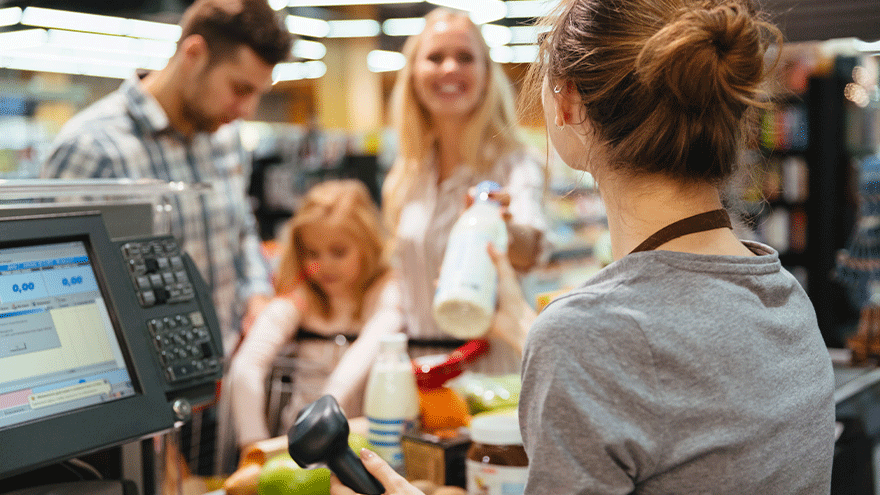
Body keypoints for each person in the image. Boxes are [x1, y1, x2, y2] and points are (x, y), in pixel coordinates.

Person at [331, 0, 835, 493]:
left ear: (568, 102)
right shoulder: (786, 298)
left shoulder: (584, 335)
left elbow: (617, 358)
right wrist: (525, 325)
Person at [40, 0, 293, 474]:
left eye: (257, 93)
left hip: (222, 387)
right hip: (139, 415)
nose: (246, 110)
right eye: (239, 88)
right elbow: (63, 299)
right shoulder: (93, 148)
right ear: (194, 53)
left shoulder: (222, 138)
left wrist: (257, 293)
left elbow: (241, 231)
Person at [383, 7, 550, 374]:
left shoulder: (515, 164)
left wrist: (502, 227)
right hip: (422, 372)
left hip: (494, 371)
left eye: (465, 57)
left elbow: (532, 248)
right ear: (412, 74)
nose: (449, 69)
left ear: (487, 75)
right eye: (435, 57)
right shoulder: (405, 176)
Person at [227, 179, 404, 450]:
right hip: (298, 447)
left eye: (338, 251)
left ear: (367, 245)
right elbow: (246, 368)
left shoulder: (385, 292)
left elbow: (377, 337)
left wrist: (326, 408)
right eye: (312, 253)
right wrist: (253, 443)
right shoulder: (300, 299)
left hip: (366, 443)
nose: (324, 265)